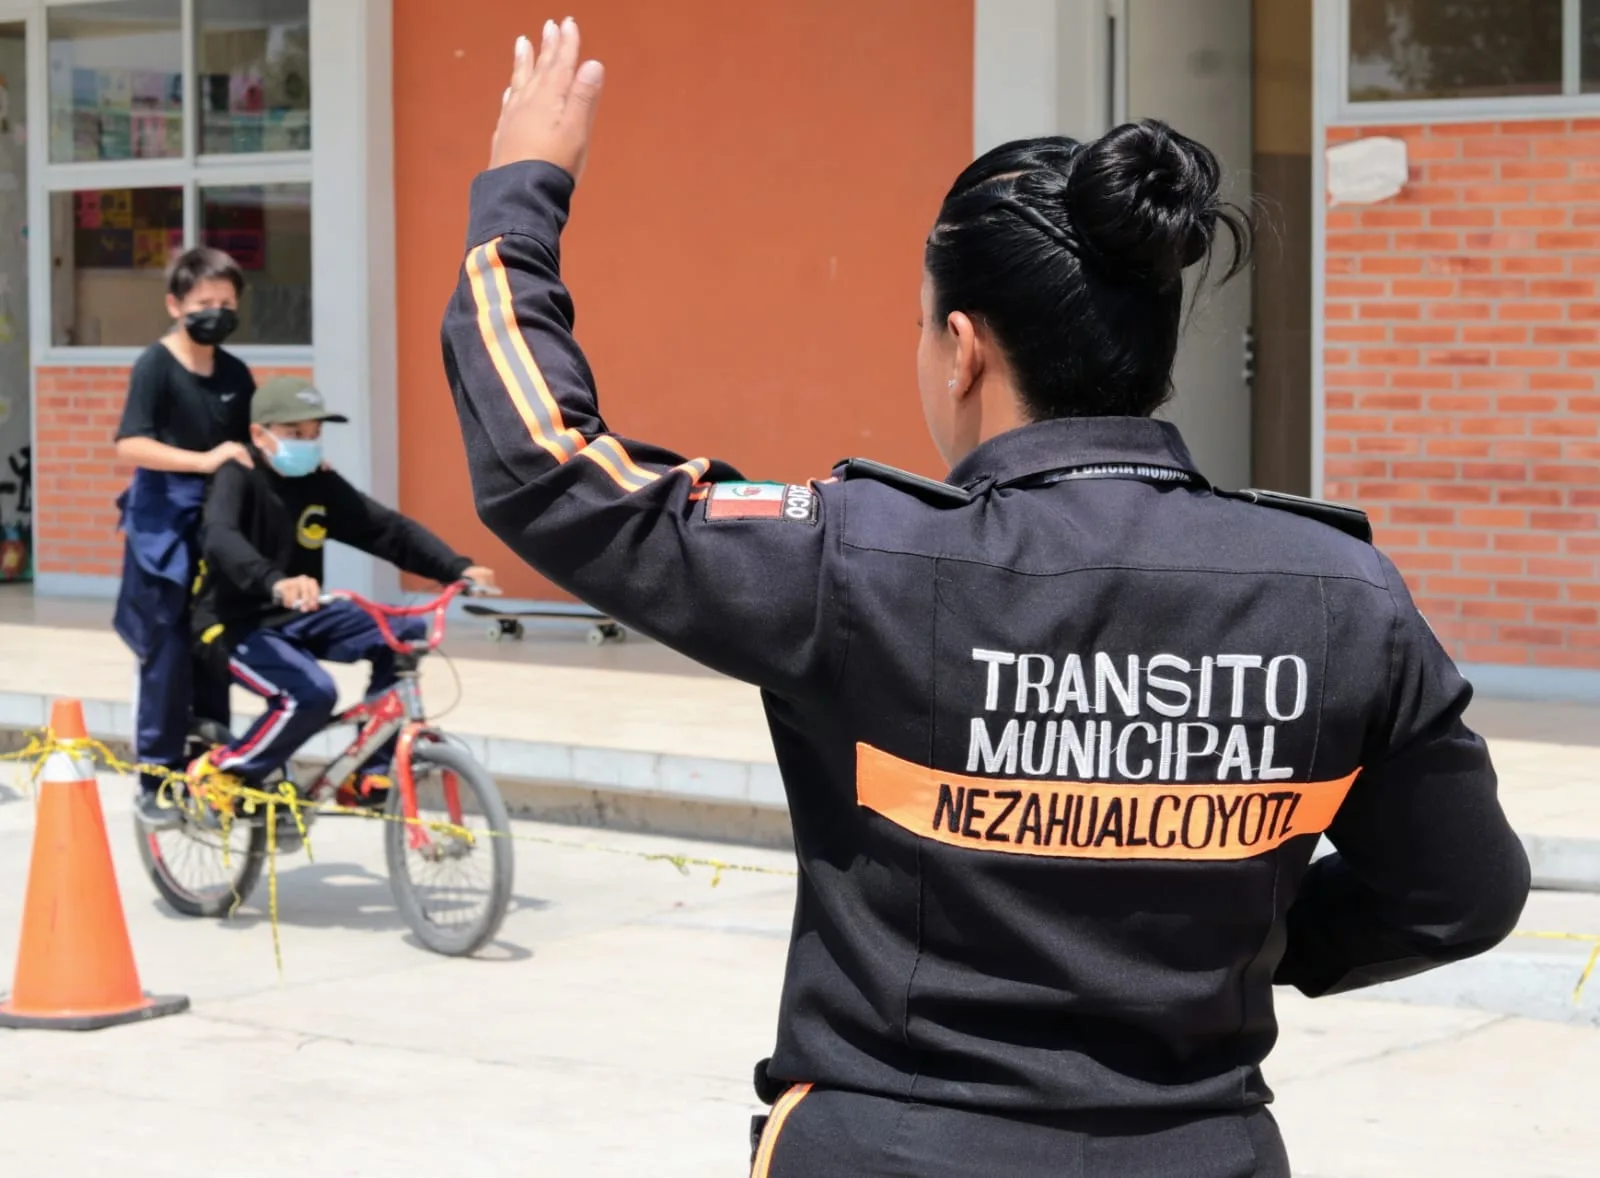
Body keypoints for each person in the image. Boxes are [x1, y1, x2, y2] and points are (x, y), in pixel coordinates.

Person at [443, 22, 1531, 1178]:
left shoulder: (862, 561)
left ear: (961, 348)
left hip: (895, 1145)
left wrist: (521, 193)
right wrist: (1255, 940)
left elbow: (546, 465)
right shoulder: (1337, 594)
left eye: (922, 323)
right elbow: (1461, 891)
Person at [177, 375, 495, 824]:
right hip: (233, 624)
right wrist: (274, 581)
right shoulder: (238, 475)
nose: (307, 444)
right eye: (294, 434)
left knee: (402, 632)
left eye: (314, 434)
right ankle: (224, 772)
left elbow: (385, 529)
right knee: (310, 693)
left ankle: (368, 773)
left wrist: (456, 567)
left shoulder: (317, 482)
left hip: (300, 616)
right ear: (258, 434)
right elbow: (220, 538)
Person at [114, 247, 256, 827]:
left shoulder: (235, 373)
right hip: (162, 531)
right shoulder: (155, 365)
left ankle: (214, 776)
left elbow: (247, 445)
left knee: (215, 648)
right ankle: (155, 775)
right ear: (175, 305)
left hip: (218, 526)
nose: (216, 313)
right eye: (204, 303)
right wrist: (203, 461)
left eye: (227, 304)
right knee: (167, 650)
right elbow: (129, 444)